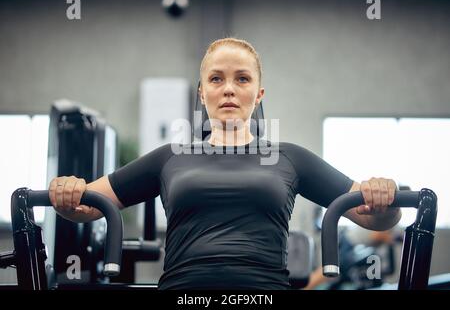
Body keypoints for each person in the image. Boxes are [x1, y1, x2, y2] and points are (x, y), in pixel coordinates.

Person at [48, 37, 401, 290]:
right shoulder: (170, 157)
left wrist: (384, 197)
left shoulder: (291, 157)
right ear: (202, 91)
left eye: (242, 79)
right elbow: (88, 206)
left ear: (259, 93)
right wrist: (67, 192)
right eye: (216, 79)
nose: (228, 89)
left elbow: (373, 216)